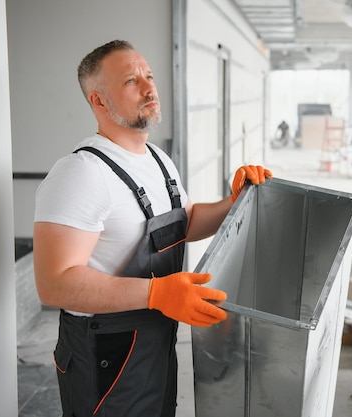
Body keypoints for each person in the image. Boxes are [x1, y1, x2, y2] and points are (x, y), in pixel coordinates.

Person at [33, 39, 272, 417]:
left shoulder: (158, 159)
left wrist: (236, 202)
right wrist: (156, 292)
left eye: (149, 75)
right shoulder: (81, 173)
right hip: (104, 356)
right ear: (98, 101)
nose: (149, 88)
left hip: (155, 342)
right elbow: (53, 284)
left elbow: (187, 221)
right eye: (131, 81)